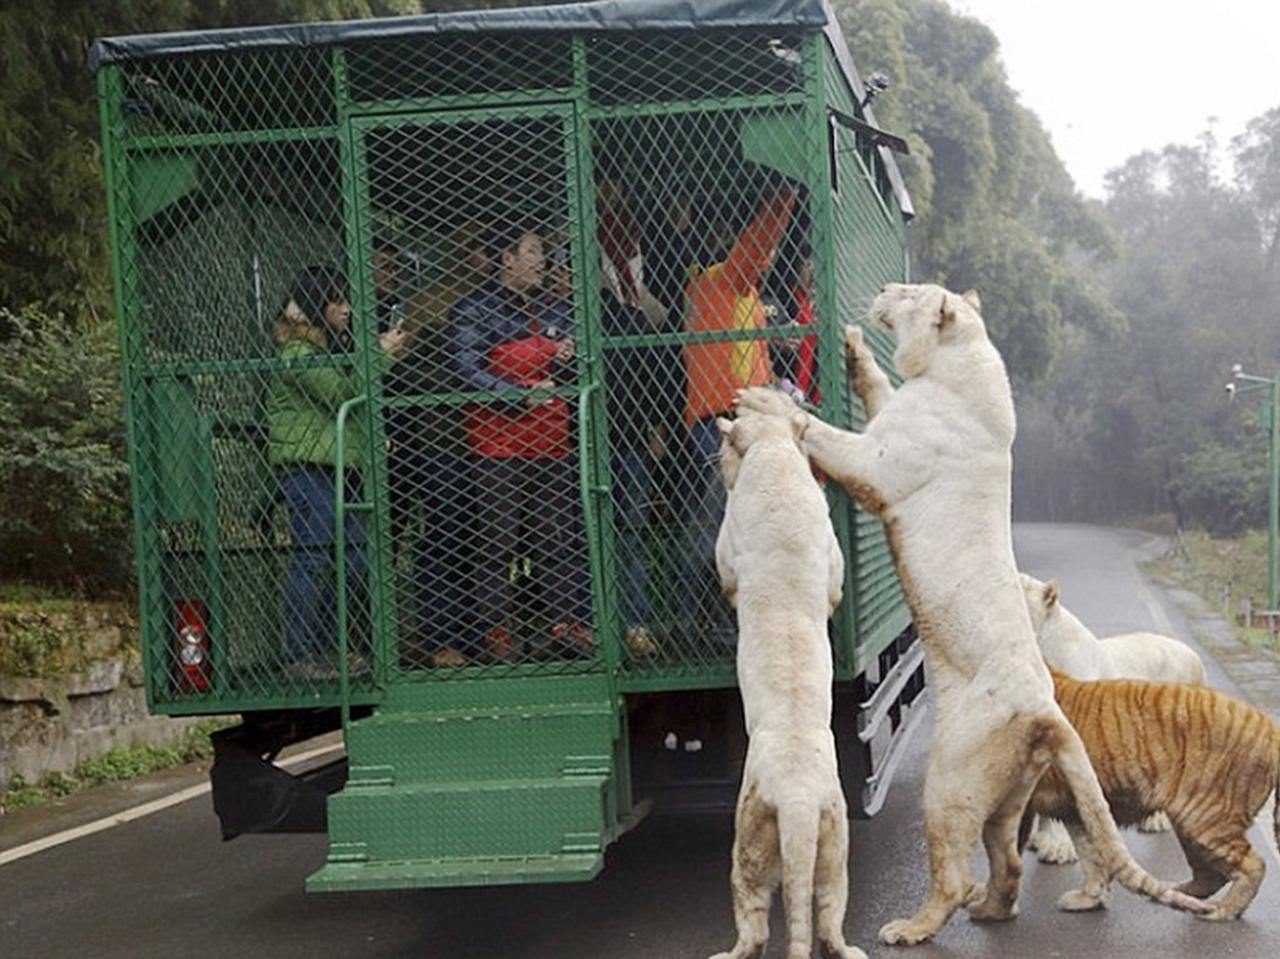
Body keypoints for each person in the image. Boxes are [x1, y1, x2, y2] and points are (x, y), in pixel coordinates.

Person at [446, 221, 593, 660]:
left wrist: (564, 357)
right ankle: (496, 632)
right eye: (531, 252)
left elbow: (574, 360)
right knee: (498, 541)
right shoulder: (474, 308)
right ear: (507, 259)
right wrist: (518, 393)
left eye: (542, 253)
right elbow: (466, 370)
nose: (541, 261)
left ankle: (563, 624)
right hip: (497, 445)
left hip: (551, 441)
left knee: (557, 536)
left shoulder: (555, 307)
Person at [267, 266, 407, 677]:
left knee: (356, 559)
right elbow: (341, 395)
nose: (347, 309)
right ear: (318, 305)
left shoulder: (327, 349)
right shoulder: (297, 353)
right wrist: (380, 353)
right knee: (312, 558)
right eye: (338, 301)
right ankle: (300, 654)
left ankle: (334, 646)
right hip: (308, 469)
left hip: (341, 468)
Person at [677, 187, 797, 641]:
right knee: (716, 523)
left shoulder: (735, 295)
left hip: (736, 419)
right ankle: (704, 620)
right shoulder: (721, 282)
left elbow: (755, 362)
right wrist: (787, 192)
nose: (765, 262)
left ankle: (715, 619)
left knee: (729, 521)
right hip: (720, 424)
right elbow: (761, 241)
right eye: (755, 254)